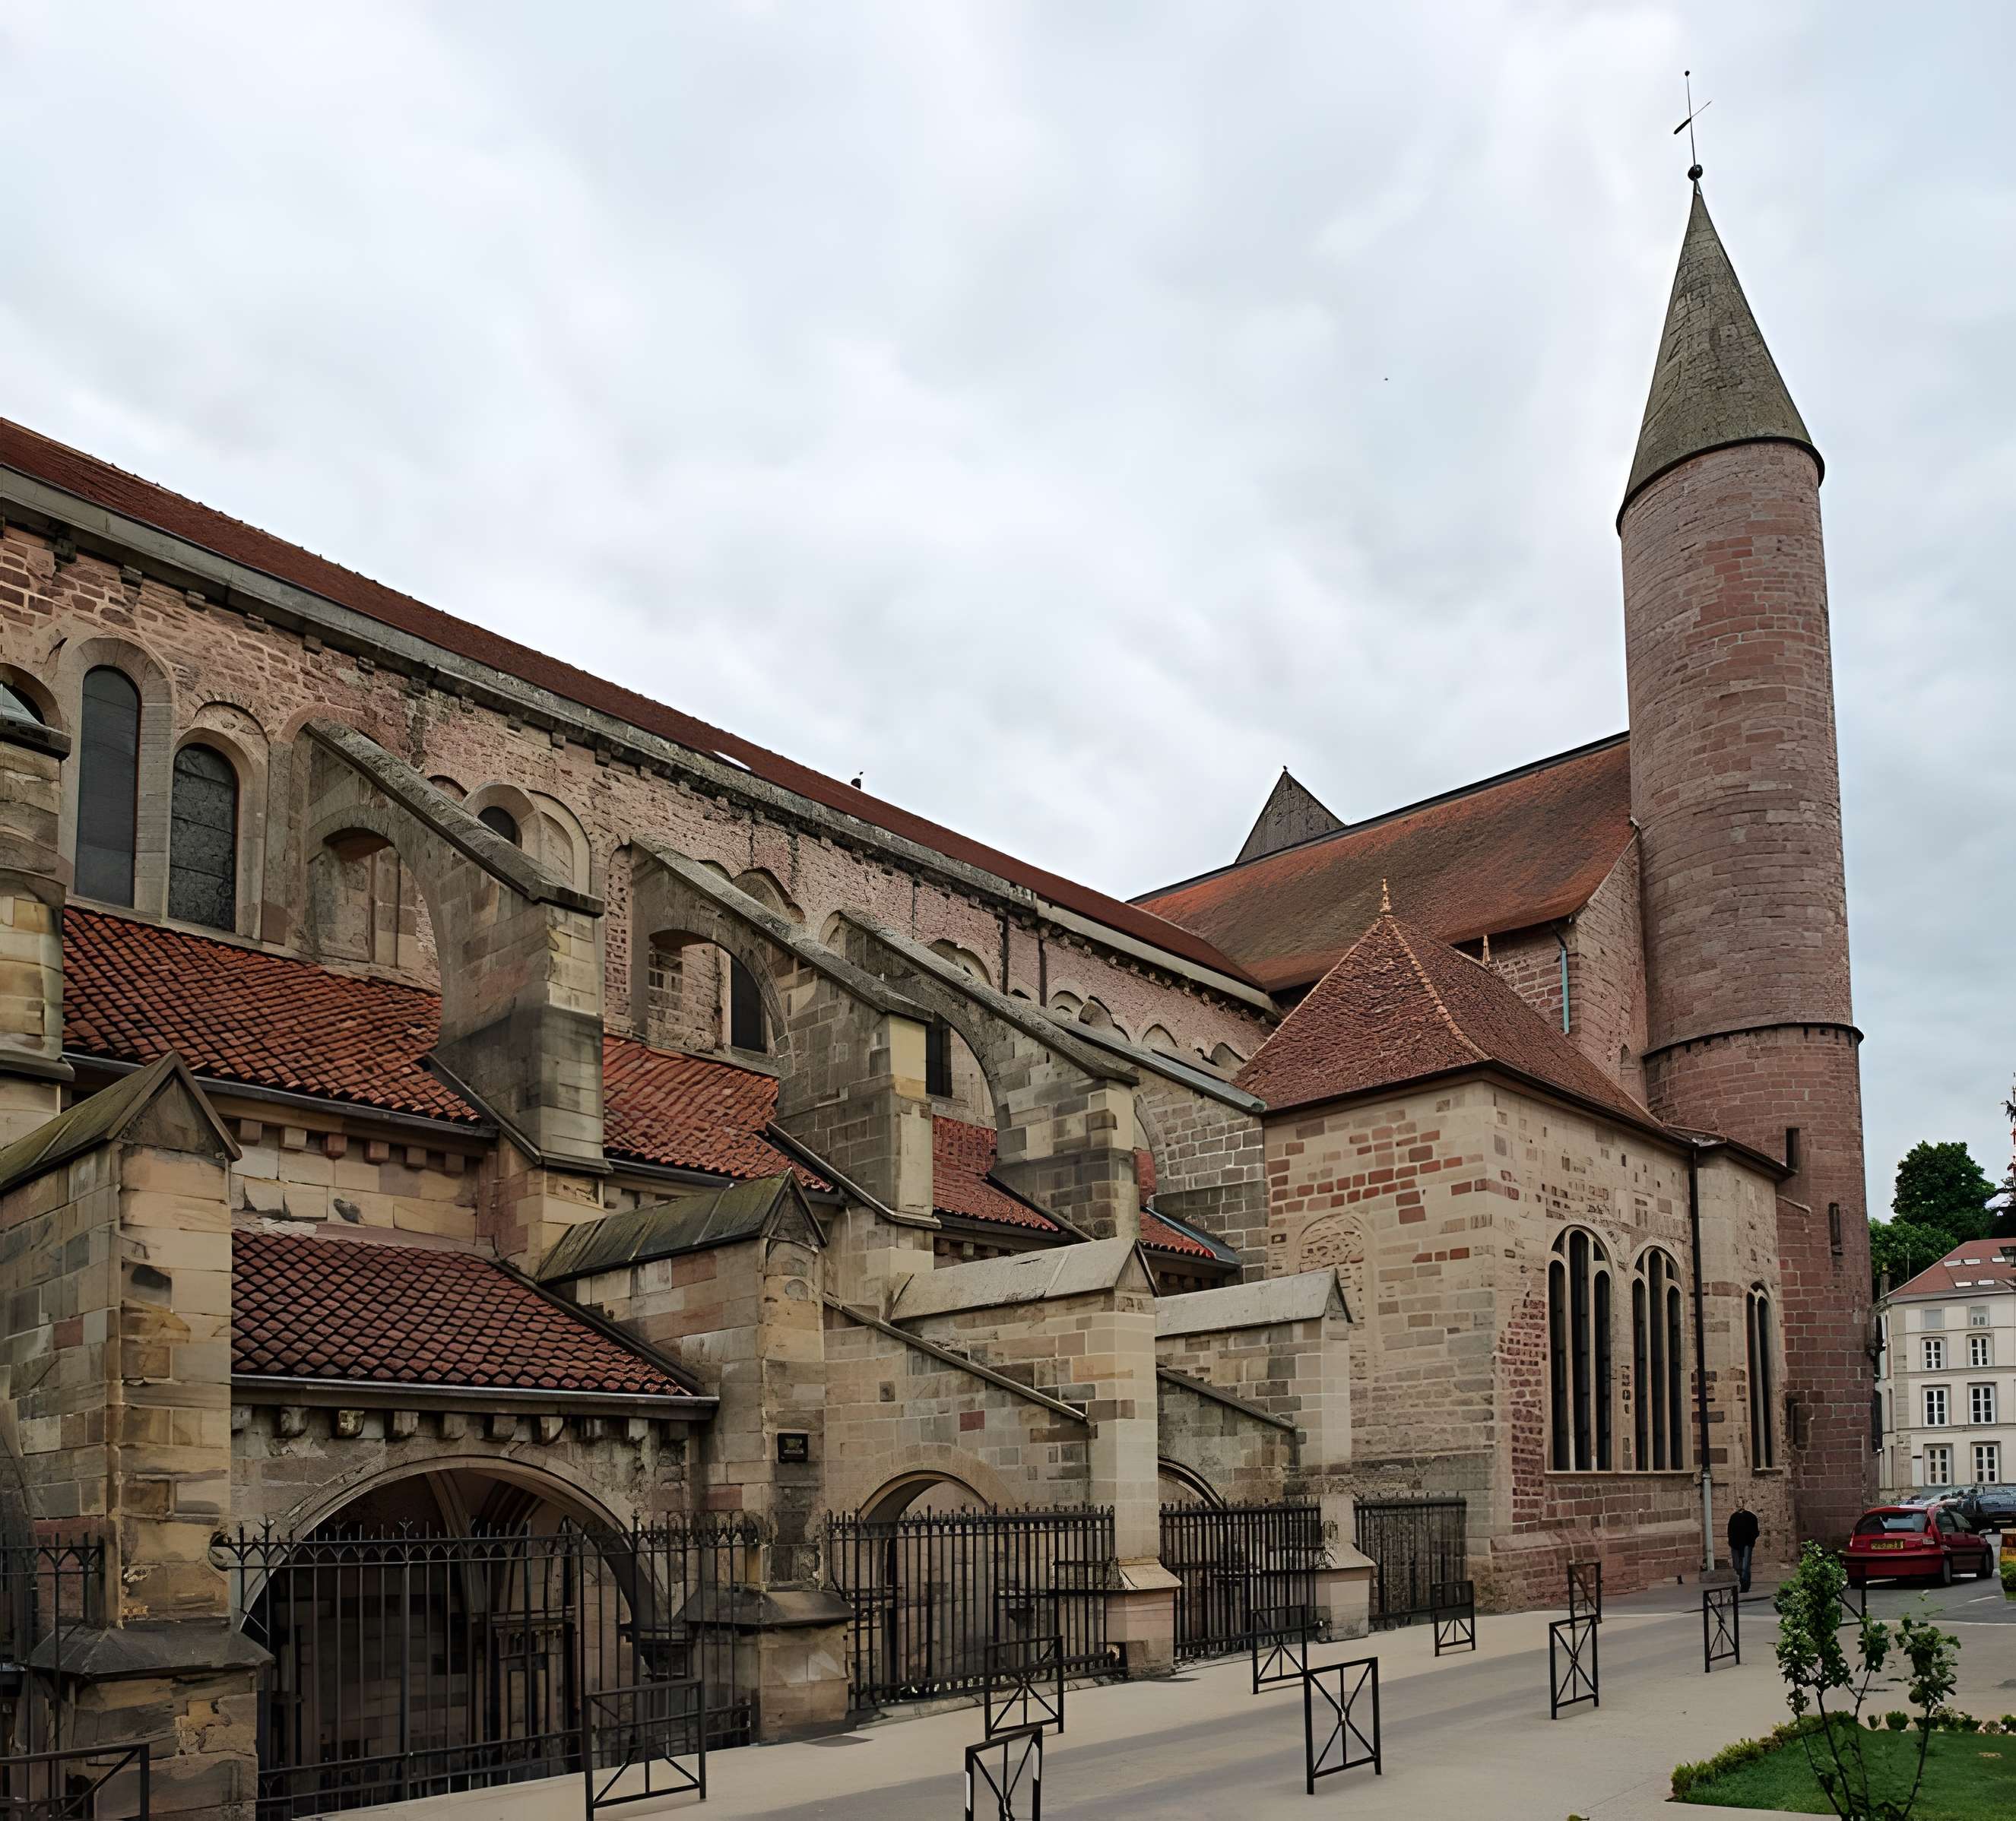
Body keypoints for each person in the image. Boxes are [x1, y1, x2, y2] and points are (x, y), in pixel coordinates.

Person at [1728, 1502, 1761, 1593]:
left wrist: (1751, 1540)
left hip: (1746, 1543)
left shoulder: (1751, 1517)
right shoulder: (1734, 1517)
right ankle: (1742, 1583)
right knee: (1738, 1566)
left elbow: (1755, 1531)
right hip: (1736, 1544)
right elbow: (1730, 1531)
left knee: (1745, 1566)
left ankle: (1745, 1585)